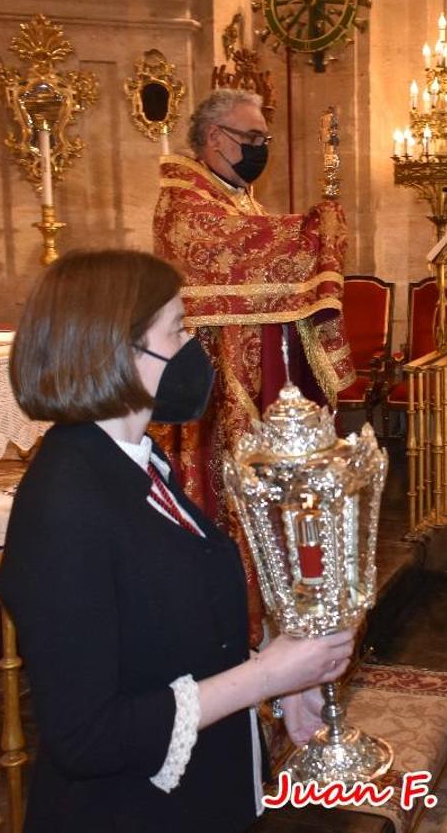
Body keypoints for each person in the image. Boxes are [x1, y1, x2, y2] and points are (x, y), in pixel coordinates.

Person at [0, 250, 354, 832]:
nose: (196, 350)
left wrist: (278, 680)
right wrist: (264, 677)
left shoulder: (134, 461)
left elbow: (170, 638)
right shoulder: (64, 503)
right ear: (118, 351)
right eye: (180, 331)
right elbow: (86, 737)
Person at [153, 88, 356, 647]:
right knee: (229, 499)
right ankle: (235, 627)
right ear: (215, 138)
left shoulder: (237, 196)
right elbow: (237, 249)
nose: (261, 149)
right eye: (253, 139)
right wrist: (313, 228)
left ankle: (280, 611)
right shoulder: (185, 200)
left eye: (264, 139)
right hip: (215, 388)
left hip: (258, 378)